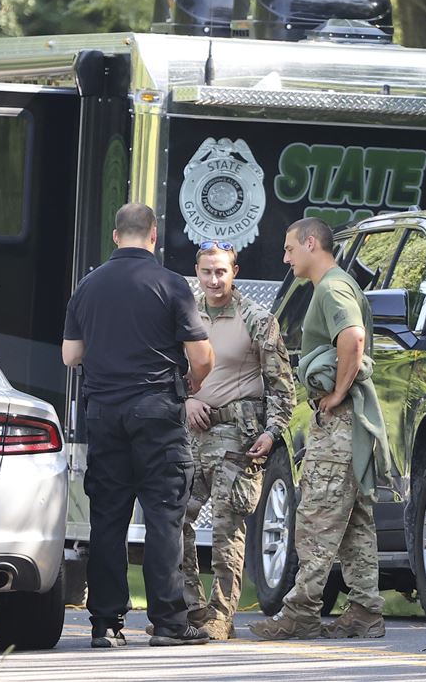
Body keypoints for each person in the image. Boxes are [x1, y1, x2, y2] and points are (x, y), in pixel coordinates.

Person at [62, 203, 215, 649]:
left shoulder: (86, 286)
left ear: (116, 236)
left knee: (107, 519)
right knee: (164, 518)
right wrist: (193, 383)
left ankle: (105, 624)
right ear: (153, 236)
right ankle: (168, 622)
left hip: (104, 416)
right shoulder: (170, 284)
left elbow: (71, 355)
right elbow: (202, 355)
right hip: (157, 415)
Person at [248, 217, 392, 641]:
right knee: (353, 522)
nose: (286, 257)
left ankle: (300, 612)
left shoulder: (331, 287)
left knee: (315, 518)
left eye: (291, 248)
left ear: (312, 244)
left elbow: (353, 338)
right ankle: (365, 610)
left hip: (341, 421)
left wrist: (335, 394)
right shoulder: (336, 285)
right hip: (353, 425)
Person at [177, 239, 294, 640]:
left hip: (237, 438)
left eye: (221, 271)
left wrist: (272, 432)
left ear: (234, 272)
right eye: (207, 271)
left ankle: (220, 617)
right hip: (190, 435)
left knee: (229, 530)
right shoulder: (184, 315)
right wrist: (187, 400)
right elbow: (166, 371)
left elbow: (282, 386)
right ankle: (190, 609)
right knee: (175, 521)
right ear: (197, 272)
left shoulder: (258, 319)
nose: (214, 279)